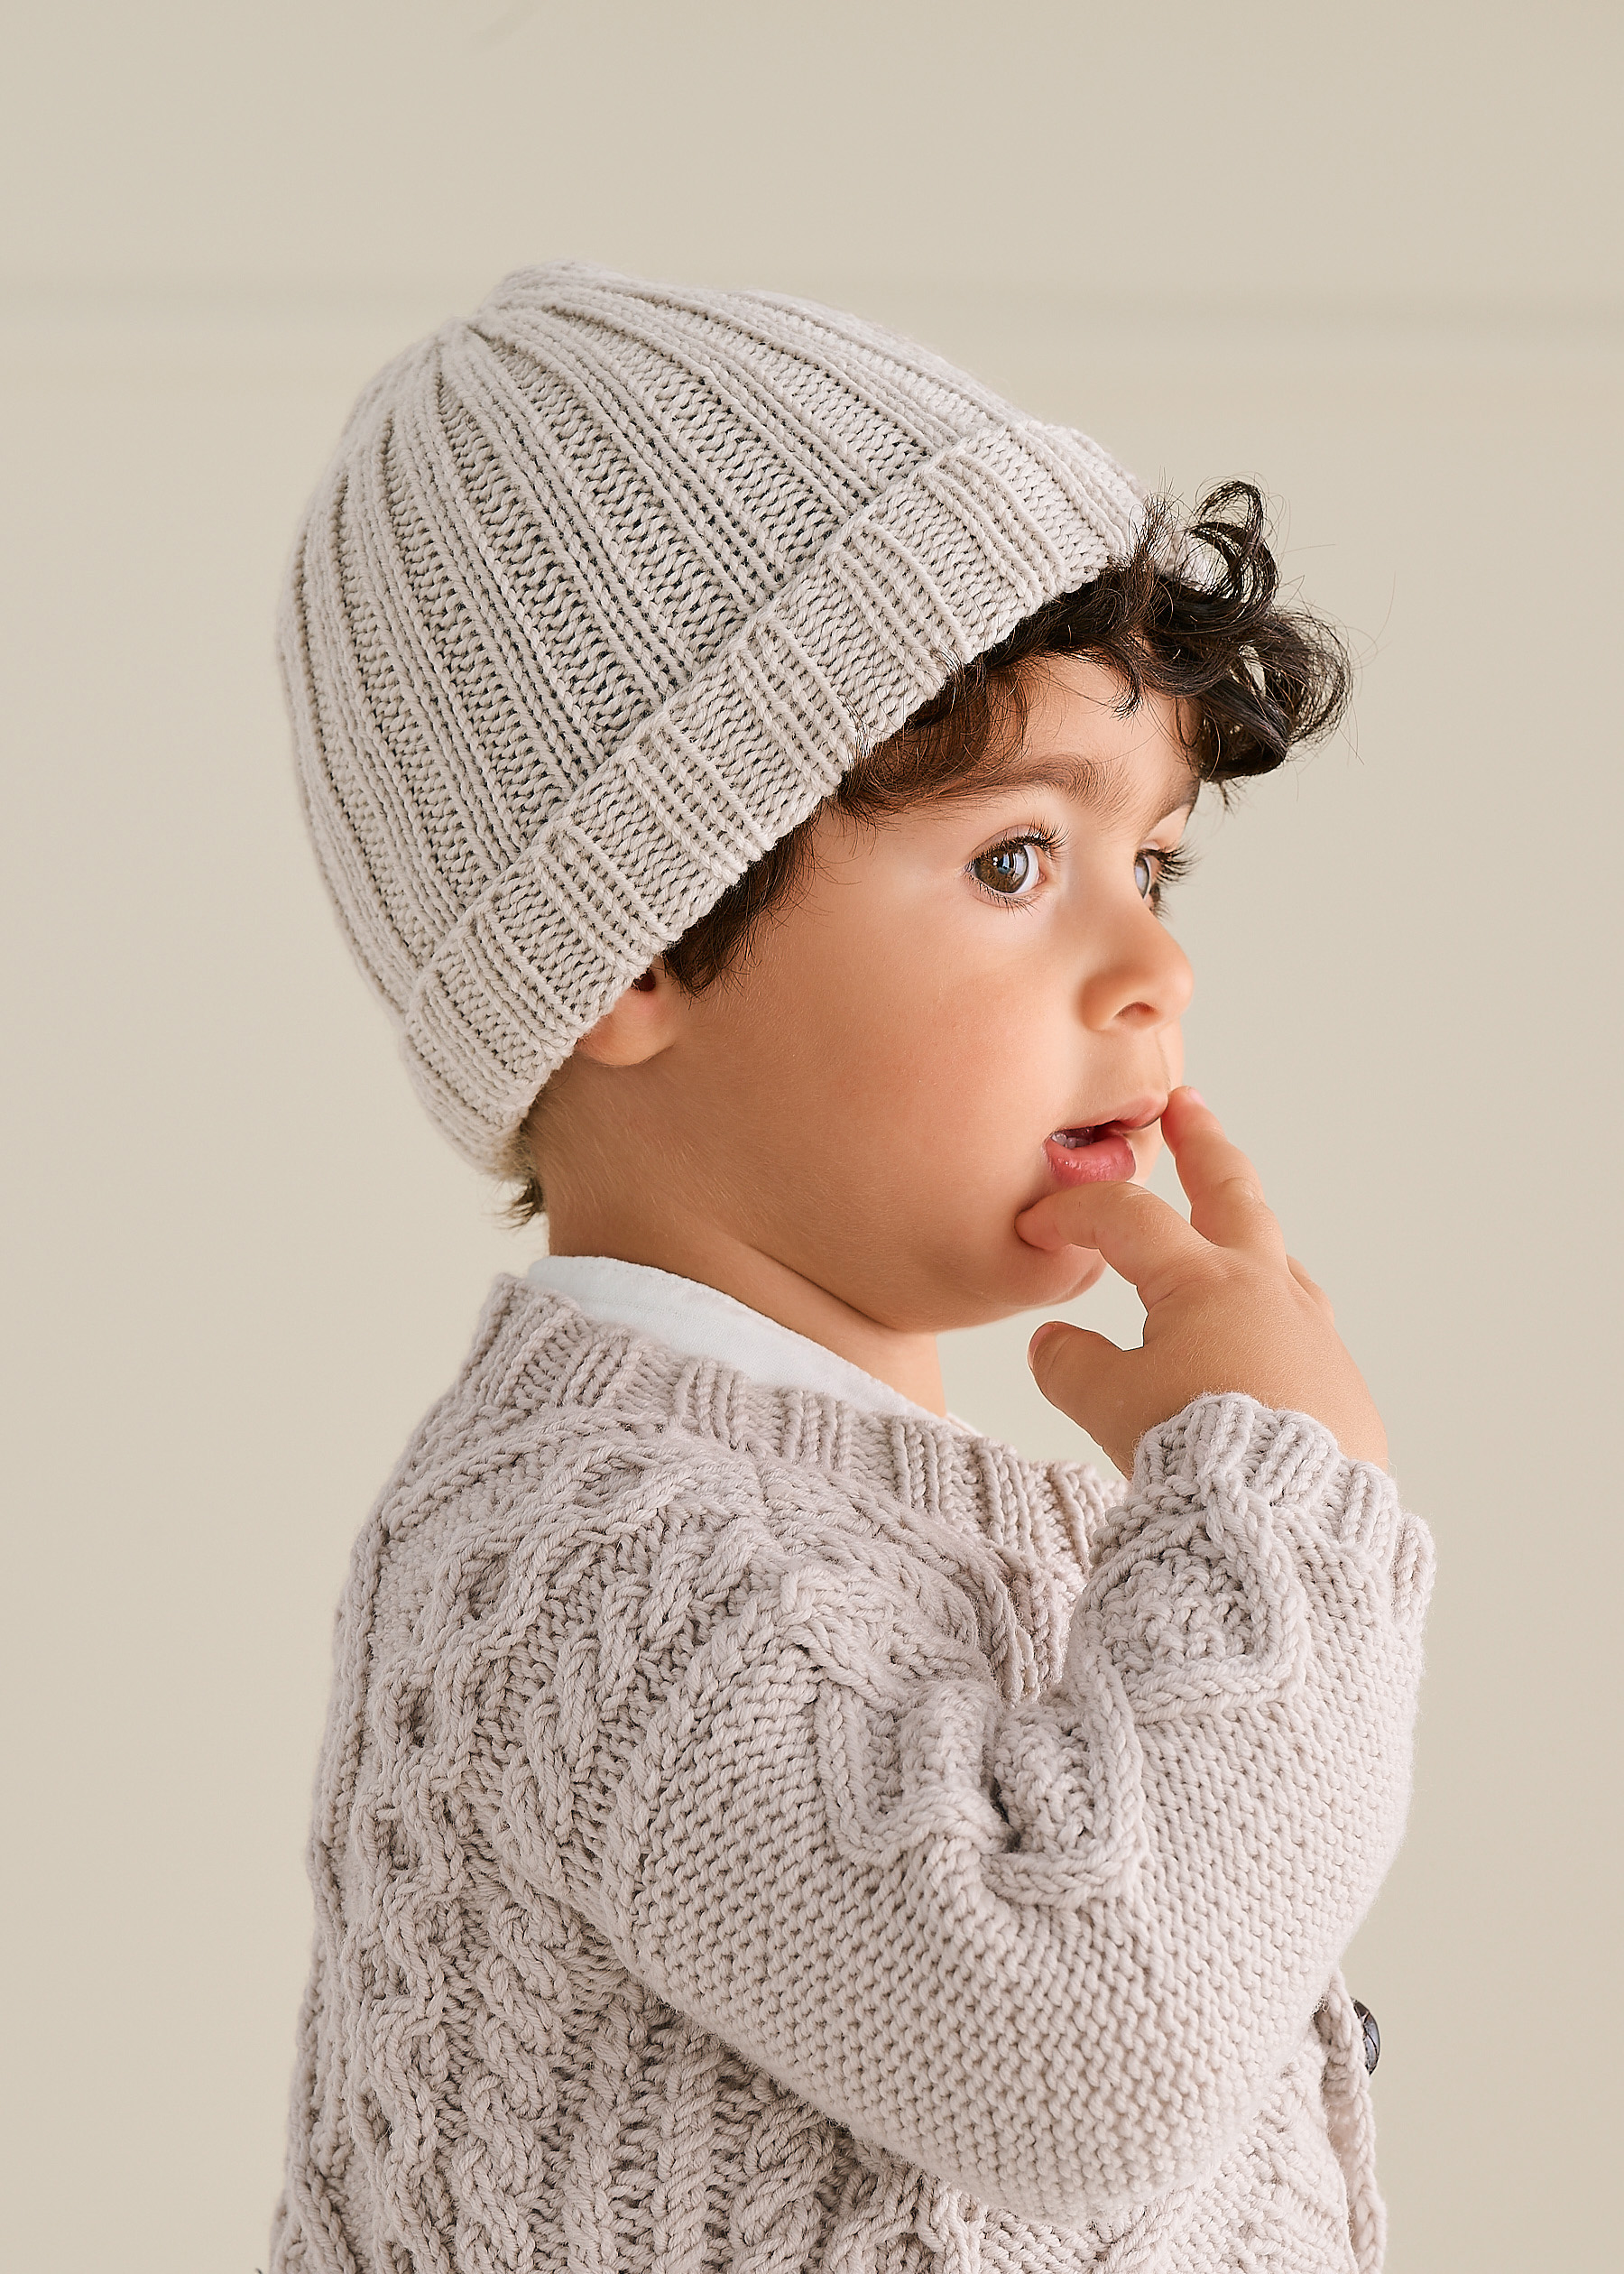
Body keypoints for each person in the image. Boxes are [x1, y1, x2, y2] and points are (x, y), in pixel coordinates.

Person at [270, 263, 1431, 2274]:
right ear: (635, 946)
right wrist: (1284, 1500)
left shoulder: (884, 1537)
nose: (1153, 966)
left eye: (1152, 863)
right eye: (1016, 861)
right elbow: (1090, 2051)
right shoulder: (592, 1559)